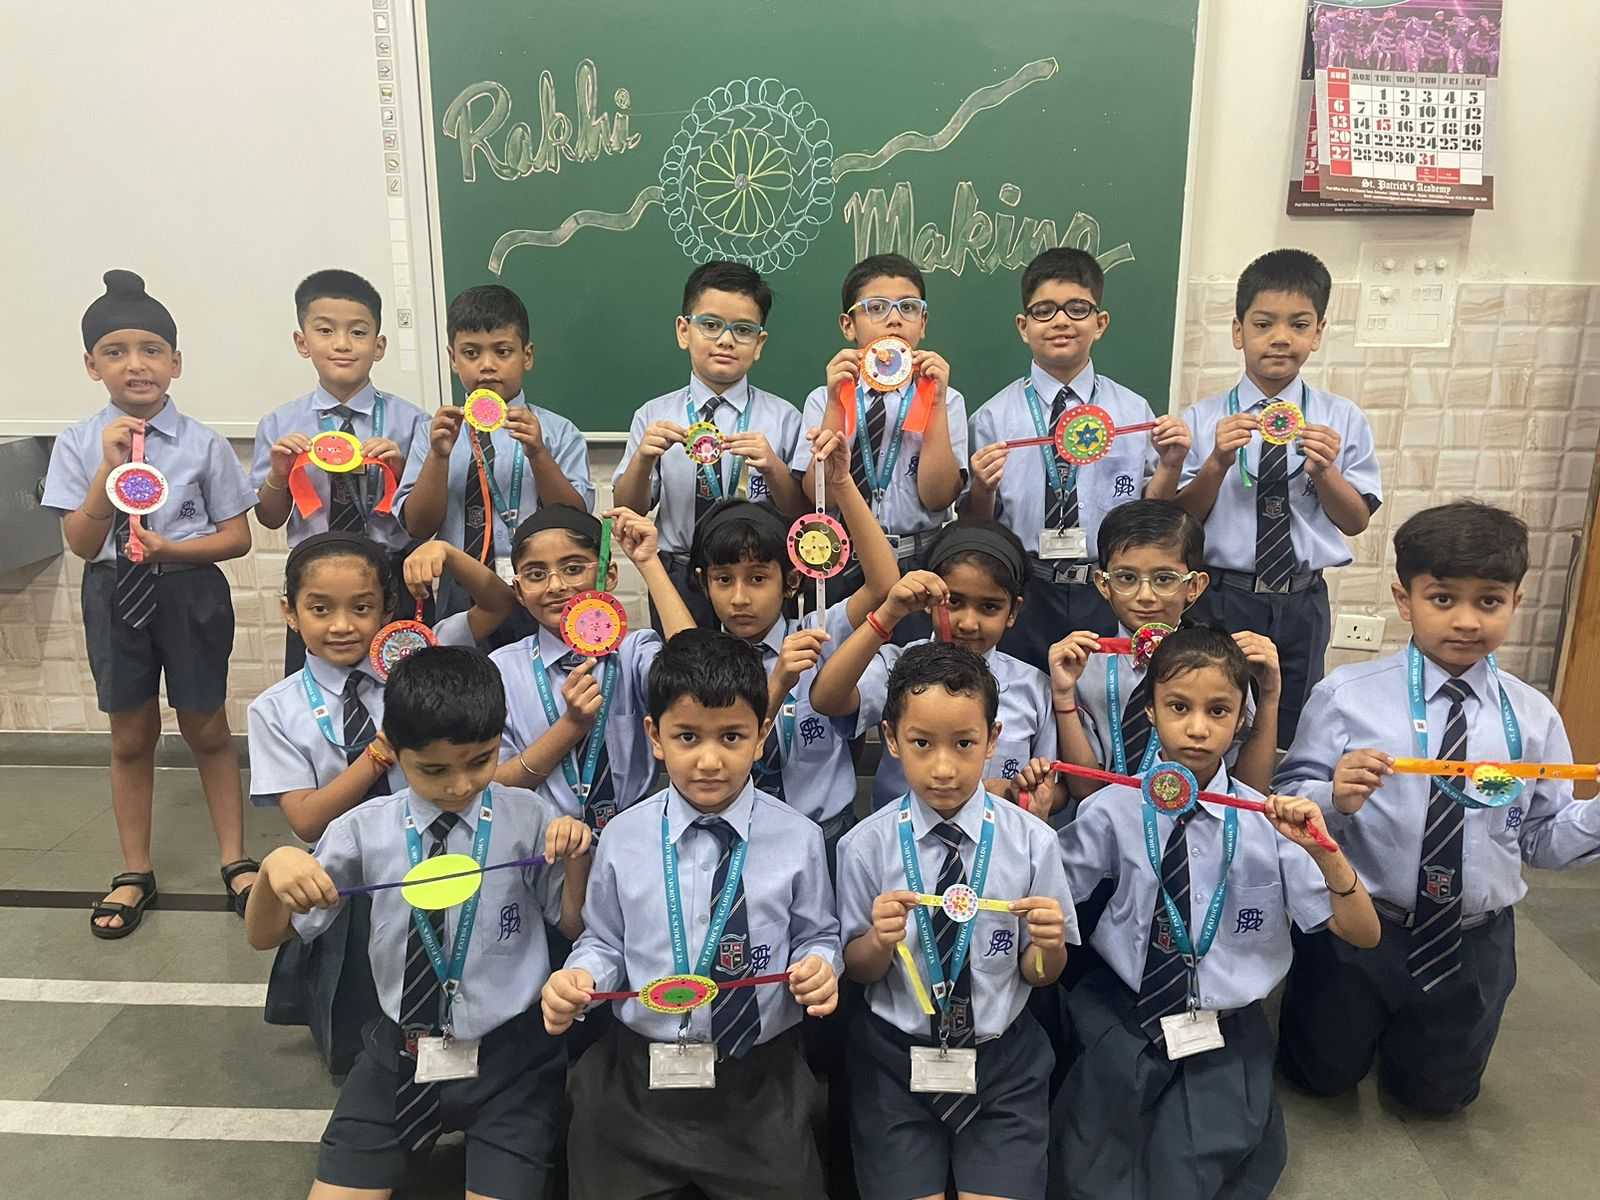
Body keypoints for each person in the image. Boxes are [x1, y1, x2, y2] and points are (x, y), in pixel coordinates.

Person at [1274, 501, 1600, 1114]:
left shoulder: (1533, 717)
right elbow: (1289, 797)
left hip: (1473, 938)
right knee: (1320, 1077)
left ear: (1516, 601)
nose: (1467, 621)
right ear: (1405, 600)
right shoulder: (1346, 697)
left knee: (1437, 1101)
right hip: (1363, 927)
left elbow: (1544, 839)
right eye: (1443, 598)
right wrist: (1331, 796)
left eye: (1490, 601)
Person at [247, 646, 592, 1200]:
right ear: (392, 748)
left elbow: (572, 926)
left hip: (513, 1061)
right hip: (398, 1054)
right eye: (433, 769)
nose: (459, 785)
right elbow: (265, 935)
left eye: (480, 761)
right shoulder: (364, 829)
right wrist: (272, 870)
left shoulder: (528, 817)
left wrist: (577, 861)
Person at [1046, 626, 1378, 1200]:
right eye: (1179, 707)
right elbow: (1048, 893)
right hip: (1125, 1011)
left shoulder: (1267, 821)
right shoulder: (1113, 808)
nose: (1198, 728)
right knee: (1086, 1166)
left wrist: (1326, 853)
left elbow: (1363, 934)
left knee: (1198, 1171)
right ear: (1150, 711)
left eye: (1218, 710)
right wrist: (1030, 821)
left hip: (1225, 1026)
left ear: (1241, 718)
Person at [541, 630, 841, 1200]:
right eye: (687, 736)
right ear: (655, 736)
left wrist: (820, 966)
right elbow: (604, 942)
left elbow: (818, 935)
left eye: (731, 737)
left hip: (760, 1079)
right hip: (639, 1079)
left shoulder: (799, 837)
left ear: (761, 736)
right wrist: (579, 977)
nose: (709, 760)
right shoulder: (624, 836)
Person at [42, 269, 258, 938]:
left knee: (208, 728)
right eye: (116, 351)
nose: (135, 364)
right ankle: (135, 869)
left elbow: (237, 537)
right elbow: (82, 543)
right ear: (92, 365)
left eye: (151, 349)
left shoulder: (204, 444)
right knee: (130, 735)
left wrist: (173, 549)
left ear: (175, 362)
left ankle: (235, 858)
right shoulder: (78, 442)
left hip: (189, 592)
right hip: (113, 592)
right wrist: (106, 472)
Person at [247, 532, 514, 1071]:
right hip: (353, 876)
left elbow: (497, 604)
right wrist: (382, 753)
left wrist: (450, 555)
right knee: (364, 1018)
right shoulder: (275, 709)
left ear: (388, 610)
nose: (343, 625)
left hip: (442, 850)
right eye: (320, 609)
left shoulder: (420, 660)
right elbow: (307, 820)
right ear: (289, 612)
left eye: (362, 607)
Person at [834, 642, 1072, 1200]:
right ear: (892, 739)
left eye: (964, 744)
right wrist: (877, 941)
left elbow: (1040, 975)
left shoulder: (1033, 842)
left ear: (992, 740)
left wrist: (1049, 946)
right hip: (894, 1060)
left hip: (1004, 1060)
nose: (943, 768)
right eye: (922, 743)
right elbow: (859, 971)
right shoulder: (864, 847)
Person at [1175, 248, 1382, 747]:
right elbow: (1179, 523)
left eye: (1299, 324)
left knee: (1291, 727)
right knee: (1210, 721)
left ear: (1319, 332)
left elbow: (1355, 521)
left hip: (1300, 601)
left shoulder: (1340, 418)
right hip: (1218, 595)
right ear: (1238, 331)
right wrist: (1216, 463)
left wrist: (1326, 472)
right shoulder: (1202, 419)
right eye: (1264, 324)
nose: (1281, 338)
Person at [965, 247, 1189, 670]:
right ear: (1023, 326)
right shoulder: (993, 417)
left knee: (1102, 697)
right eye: (1044, 310)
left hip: (1107, 591)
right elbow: (978, 524)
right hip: (1024, 590)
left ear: (1100, 323)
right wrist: (981, 487)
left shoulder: (1133, 411)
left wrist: (1171, 464)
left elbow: (1151, 514)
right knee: (1021, 694)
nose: (1061, 321)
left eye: (1077, 309)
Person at [690, 427, 898, 869]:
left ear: (791, 581)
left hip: (825, 831)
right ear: (705, 585)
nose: (740, 598)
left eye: (757, 578)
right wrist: (781, 679)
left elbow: (883, 585)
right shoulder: (701, 659)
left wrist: (842, 483)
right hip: (740, 839)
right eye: (724, 580)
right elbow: (733, 740)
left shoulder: (818, 631)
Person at [1044, 499, 1281, 811]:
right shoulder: (1082, 665)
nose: (1145, 596)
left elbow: (1251, 790)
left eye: (1164, 579)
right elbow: (1085, 789)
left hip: (1204, 827)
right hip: (1106, 824)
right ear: (1103, 584)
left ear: (1194, 586)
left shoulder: (1220, 662)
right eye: (1126, 578)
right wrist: (1063, 696)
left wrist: (1270, 695)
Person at [810, 519, 1063, 810]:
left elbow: (1055, 788)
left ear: (1013, 611)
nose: (968, 623)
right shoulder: (897, 666)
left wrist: (1019, 793)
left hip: (999, 836)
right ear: (930, 598)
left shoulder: (1034, 687)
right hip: (898, 835)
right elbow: (826, 699)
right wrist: (888, 613)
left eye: (989, 607)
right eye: (954, 602)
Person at [612, 260, 807, 629]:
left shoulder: (783, 418)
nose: (726, 340)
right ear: (684, 331)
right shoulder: (653, 415)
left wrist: (774, 469)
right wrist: (642, 460)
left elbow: (801, 512)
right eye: (711, 325)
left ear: (759, 343)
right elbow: (628, 510)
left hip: (754, 579)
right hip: (679, 572)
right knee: (683, 662)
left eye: (743, 330)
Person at [251, 269, 428, 672]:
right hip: (315, 580)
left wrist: (400, 471)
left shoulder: (413, 422)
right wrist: (279, 475)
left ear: (379, 346)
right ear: (302, 342)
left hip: (391, 575)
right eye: (326, 331)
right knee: (314, 686)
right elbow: (270, 517)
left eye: (358, 332)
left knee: (403, 687)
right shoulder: (279, 424)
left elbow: (422, 521)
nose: (343, 344)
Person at [395, 284, 592, 646]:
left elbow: (575, 520)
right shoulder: (433, 433)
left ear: (526, 356)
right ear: (453, 358)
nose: (487, 365)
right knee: (465, 677)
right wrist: (438, 456)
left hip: (543, 584)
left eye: (502, 351)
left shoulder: (557, 431)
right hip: (462, 587)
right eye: (471, 353)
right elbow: (418, 526)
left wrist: (538, 454)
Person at [491, 506, 693, 831]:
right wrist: (571, 726)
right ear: (518, 591)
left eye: (573, 569)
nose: (555, 585)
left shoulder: (634, 652)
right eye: (536, 575)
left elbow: (698, 677)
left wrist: (649, 563)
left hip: (638, 834)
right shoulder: (501, 670)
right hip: (545, 840)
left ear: (609, 575)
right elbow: (494, 785)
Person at [789, 253, 967, 616]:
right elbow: (818, 494)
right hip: (841, 559)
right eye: (876, 307)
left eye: (908, 307)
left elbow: (938, 497)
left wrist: (934, 403)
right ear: (848, 325)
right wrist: (836, 403)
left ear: (923, 323)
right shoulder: (823, 398)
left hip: (917, 559)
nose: (894, 318)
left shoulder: (946, 399)